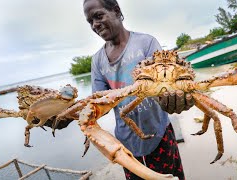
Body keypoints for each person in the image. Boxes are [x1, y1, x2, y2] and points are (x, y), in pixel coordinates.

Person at [83, 0, 193, 179]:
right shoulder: (97, 60)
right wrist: (68, 115)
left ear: (116, 10)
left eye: (98, 16)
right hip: (126, 144)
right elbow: (98, 104)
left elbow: (167, 85)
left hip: (159, 134)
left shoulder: (146, 43)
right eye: (90, 21)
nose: (95, 24)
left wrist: (174, 99)